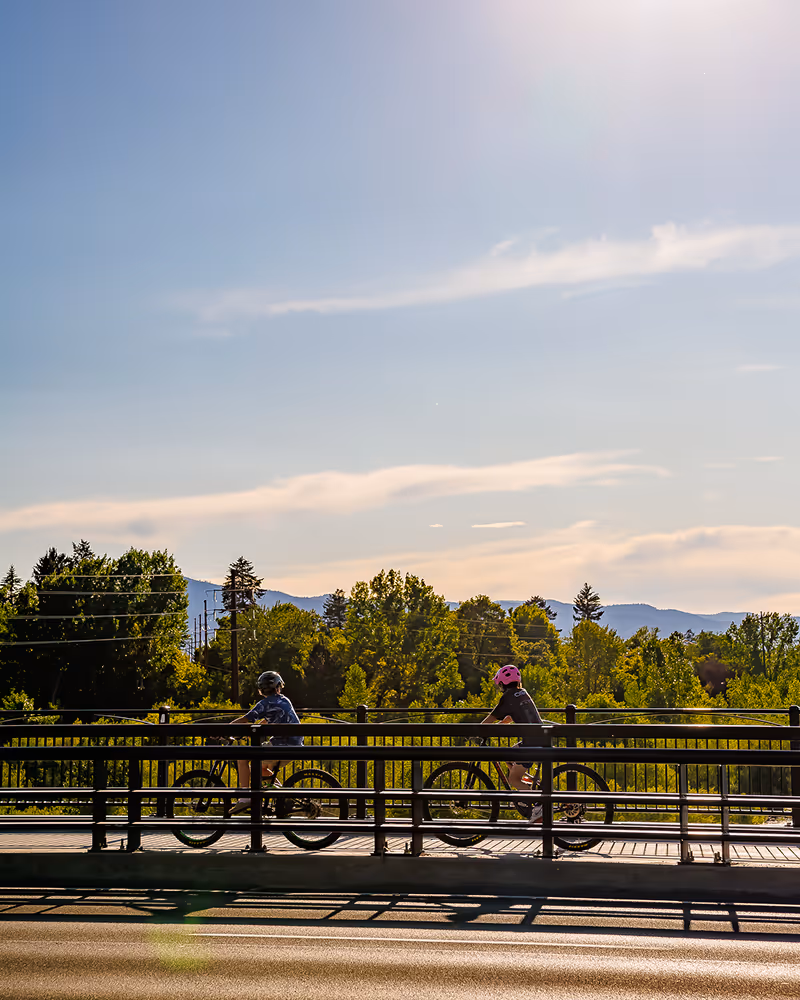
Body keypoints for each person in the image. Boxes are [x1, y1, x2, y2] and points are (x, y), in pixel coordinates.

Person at [229, 670, 303, 814]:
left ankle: (245, 799)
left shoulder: (264, 704)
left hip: (281, 746)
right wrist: (255, 730)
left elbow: (245, 719)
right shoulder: (284, 700)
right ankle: (284, 796)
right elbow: (266, 722)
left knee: (243, 758)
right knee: (261, 769)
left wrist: (227, 729)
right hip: (295, 745)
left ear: (261, 690)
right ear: (278, 687)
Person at [481, 664, 544, 822]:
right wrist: (500, 726)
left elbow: (491, 718)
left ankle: (537, 806)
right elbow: (509, 717)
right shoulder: (522, 693)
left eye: (499, 685)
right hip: (538, 739)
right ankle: (527, 788)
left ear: (502, 683)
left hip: (530, 744)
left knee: (513, 780)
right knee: (509, 757)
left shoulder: (507, 697)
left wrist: (478, 730)